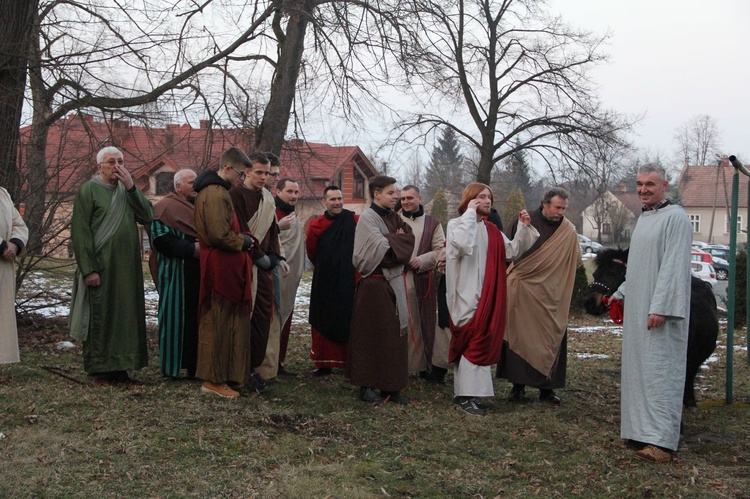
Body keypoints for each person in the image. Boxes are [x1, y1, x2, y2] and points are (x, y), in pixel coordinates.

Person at [607, 165, 692, 463]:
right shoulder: (645, 217)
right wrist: (621, 292)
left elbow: (672, 267)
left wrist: (661, 308)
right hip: (638, 310)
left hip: (659, 313)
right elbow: (641, 266)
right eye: (640, 184)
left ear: (664, 185)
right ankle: (641, 431)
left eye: (650, 184)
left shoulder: (676, 218)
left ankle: (662, 443)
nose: (643, 189)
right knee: (638, 370)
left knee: (660, 372)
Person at [446, 183, 538, 415]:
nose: (488, 201)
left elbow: (512, 251)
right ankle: (466, 395)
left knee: (480, 340)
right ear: (470, 200)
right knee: (470, 341)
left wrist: (524, 228)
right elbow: (463, 245)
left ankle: (469, 394)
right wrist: (468, 212)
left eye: (489, 197)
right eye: (482, 197)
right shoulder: (456, 225)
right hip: (465, 294)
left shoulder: (492, 231)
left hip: (488, 293)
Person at [69, 146, 153, 386]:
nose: (117, 166)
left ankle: (121, 369)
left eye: (121, 161)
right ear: (99, 166)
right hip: (102, 266)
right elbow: (81, 231)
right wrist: (89, 268)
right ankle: (99, 370)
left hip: (127, 267)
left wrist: (132, 188)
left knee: (125, 315)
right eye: (111, 162)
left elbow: (147, 216)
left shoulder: (127, 191)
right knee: (101, 314)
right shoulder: (88, 191)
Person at [498, 188, 580, 405]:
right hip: (522, 291)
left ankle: (547, 389)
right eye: (557, 207)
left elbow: (574, 262)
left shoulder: (568, 231)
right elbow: (508, 250)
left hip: (552, 294)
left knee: (551, 336)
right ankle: (517, 387)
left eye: (563, 208)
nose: (560, 212)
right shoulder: (525, 220)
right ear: (544, 204)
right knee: (519, 336)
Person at [193, 147, 255, 399]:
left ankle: (226, 376)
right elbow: (219, 234)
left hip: (226, 266)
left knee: (228, 322)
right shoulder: (215, 193)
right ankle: (213, 380)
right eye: (241, 174)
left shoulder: (219, 191)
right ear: (227, 168)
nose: (242, 179)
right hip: (220, 268)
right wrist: (244, 242)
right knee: (218, 322)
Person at [349, 175, 415, 404]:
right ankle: (366, 386)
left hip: (393, 284)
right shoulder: (368, 218)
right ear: (376, 194)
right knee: (370, 336)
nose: (395, 196)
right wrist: (394, 242)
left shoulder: (394, 217)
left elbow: (408, 241)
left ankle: (391, 386)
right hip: (374, 285)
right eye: (390, 192)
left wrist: (394, 241)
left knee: (394, 336)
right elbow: (384, 253)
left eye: (395, 192)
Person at [230, 152, 289, 393]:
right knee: (245, 318)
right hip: (244, 265)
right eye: (259, 172)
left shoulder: (267, 197)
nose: (264, 177)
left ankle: (256, 369)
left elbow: (272, 231)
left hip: (265, 268)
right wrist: (257, 256)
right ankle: (239, 372)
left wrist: (275, 256)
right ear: (247, 171)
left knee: (263, 319)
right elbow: (239, 229)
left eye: (267, 173)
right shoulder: (235, 195)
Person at [150, 169, 200, 379]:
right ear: (178, 186)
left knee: (196, 321)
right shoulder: (164, 207)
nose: (195, 186)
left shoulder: (200, 207)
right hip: (175, 273)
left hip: (199, 272)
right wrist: (190, 249)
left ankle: (194, 367)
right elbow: (160, 238)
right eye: (191, 182)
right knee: (174, 318)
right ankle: (171, 368)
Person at [307, 186, 359, 376]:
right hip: (325, 280)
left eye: (339, 198)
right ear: (324, 202)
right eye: (332, 199)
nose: (337, 202)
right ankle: (323, 363)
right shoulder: (316, 226)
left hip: (348, 278)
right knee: (322, 319)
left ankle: (348, 362)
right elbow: (312, 252)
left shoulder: (354, 220)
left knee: (347, 318)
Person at [256, 177, 304, 381]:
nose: (293, 196)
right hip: (273, 274)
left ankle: (279, 362)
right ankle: (266, 364)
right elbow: (264, 238)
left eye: (296, 192)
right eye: (290, 192)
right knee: (272, 319)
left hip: (291, 278)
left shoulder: (294, 215)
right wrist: (278, 226)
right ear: (279, 192)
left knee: (286, 318)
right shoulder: (271, 213)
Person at [398, 185, 446, 380]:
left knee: (422, 323)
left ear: (419, 198)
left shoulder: (433, 223)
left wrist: (421, 261)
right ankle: (400, 364)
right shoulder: (394, 221)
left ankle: (422, 365)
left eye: (410, 198)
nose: (406, 202)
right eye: (402, 199)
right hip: (398, 277)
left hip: (422, 280)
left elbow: (439, 250)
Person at [0, 187, 28, 365]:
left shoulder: (2, 193)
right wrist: (2, 246)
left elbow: (19, 224)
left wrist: (15, 244)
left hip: (3, 264)